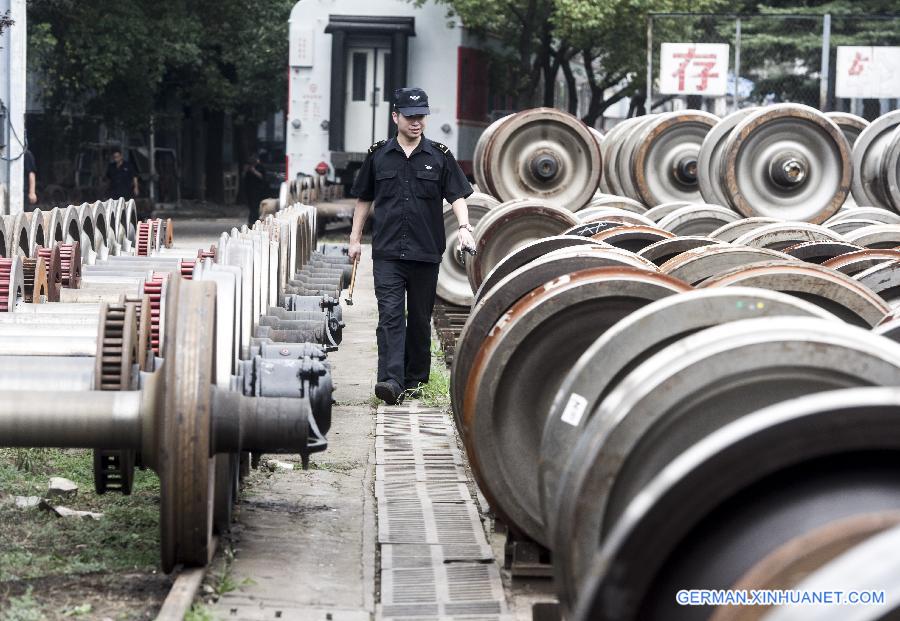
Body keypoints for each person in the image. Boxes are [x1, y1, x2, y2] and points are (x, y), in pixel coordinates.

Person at [348, 87, 475, 405]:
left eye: (421, 117)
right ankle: (391, 381)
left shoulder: (439, 156)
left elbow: (457, 195)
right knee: (390, 316)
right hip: (388, 252)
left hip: (425, 252)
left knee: (419, 318)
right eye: (410, 116)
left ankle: (416, 379)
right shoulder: (378, 155)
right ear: (396, 117)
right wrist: (354, 240)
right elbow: (364, 199)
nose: (416, 122)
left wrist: (464, 228)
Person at [243, 154, 268, 225]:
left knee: (255, 206)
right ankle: (252, 220)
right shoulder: (248, 168)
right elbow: (244, 177)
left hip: (257, 190)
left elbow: (262, 177)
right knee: (251, 206)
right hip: (249, 189)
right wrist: (246, 170)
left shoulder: (260, 167)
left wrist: (253, 171)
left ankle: (254, 221)